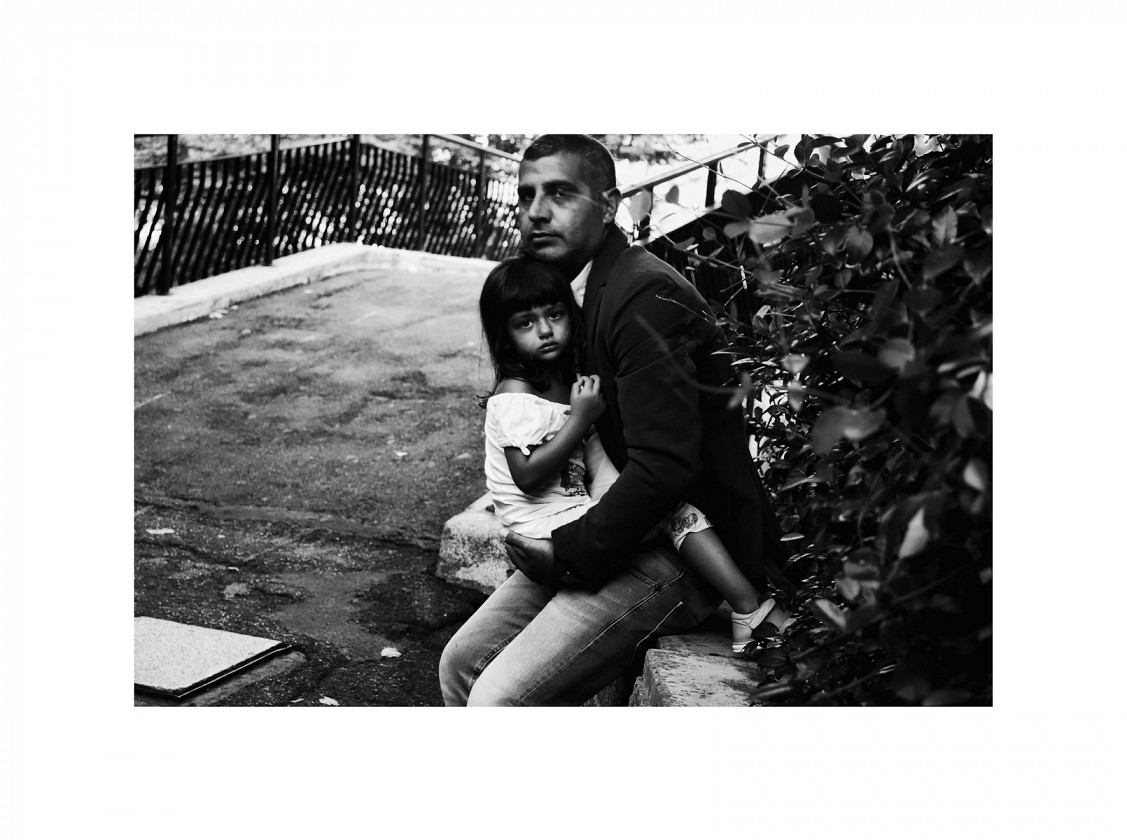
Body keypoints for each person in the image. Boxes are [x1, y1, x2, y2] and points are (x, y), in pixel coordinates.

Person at [439, 134, 795, 706]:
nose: (536, 212)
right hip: (610, 521)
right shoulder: (568, 292)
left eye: (560, 194)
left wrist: (568, 552)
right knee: (460, 664)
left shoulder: (642, 293)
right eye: (526, 195)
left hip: (681, 546)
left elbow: (666, 468)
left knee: (497, 699)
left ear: (608, 205)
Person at [476, 255, 784, 653]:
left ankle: (747, 600)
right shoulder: (515, 394)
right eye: (525, 323)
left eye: (554, 315)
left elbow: (597, 462)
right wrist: (581, 418)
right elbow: (528, 475)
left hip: (569, 512)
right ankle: (749, 609)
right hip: (537, 528)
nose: (546, 331)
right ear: (504, 336)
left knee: (658, 503)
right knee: (669, 511)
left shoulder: (569, 379)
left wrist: (629, 491)